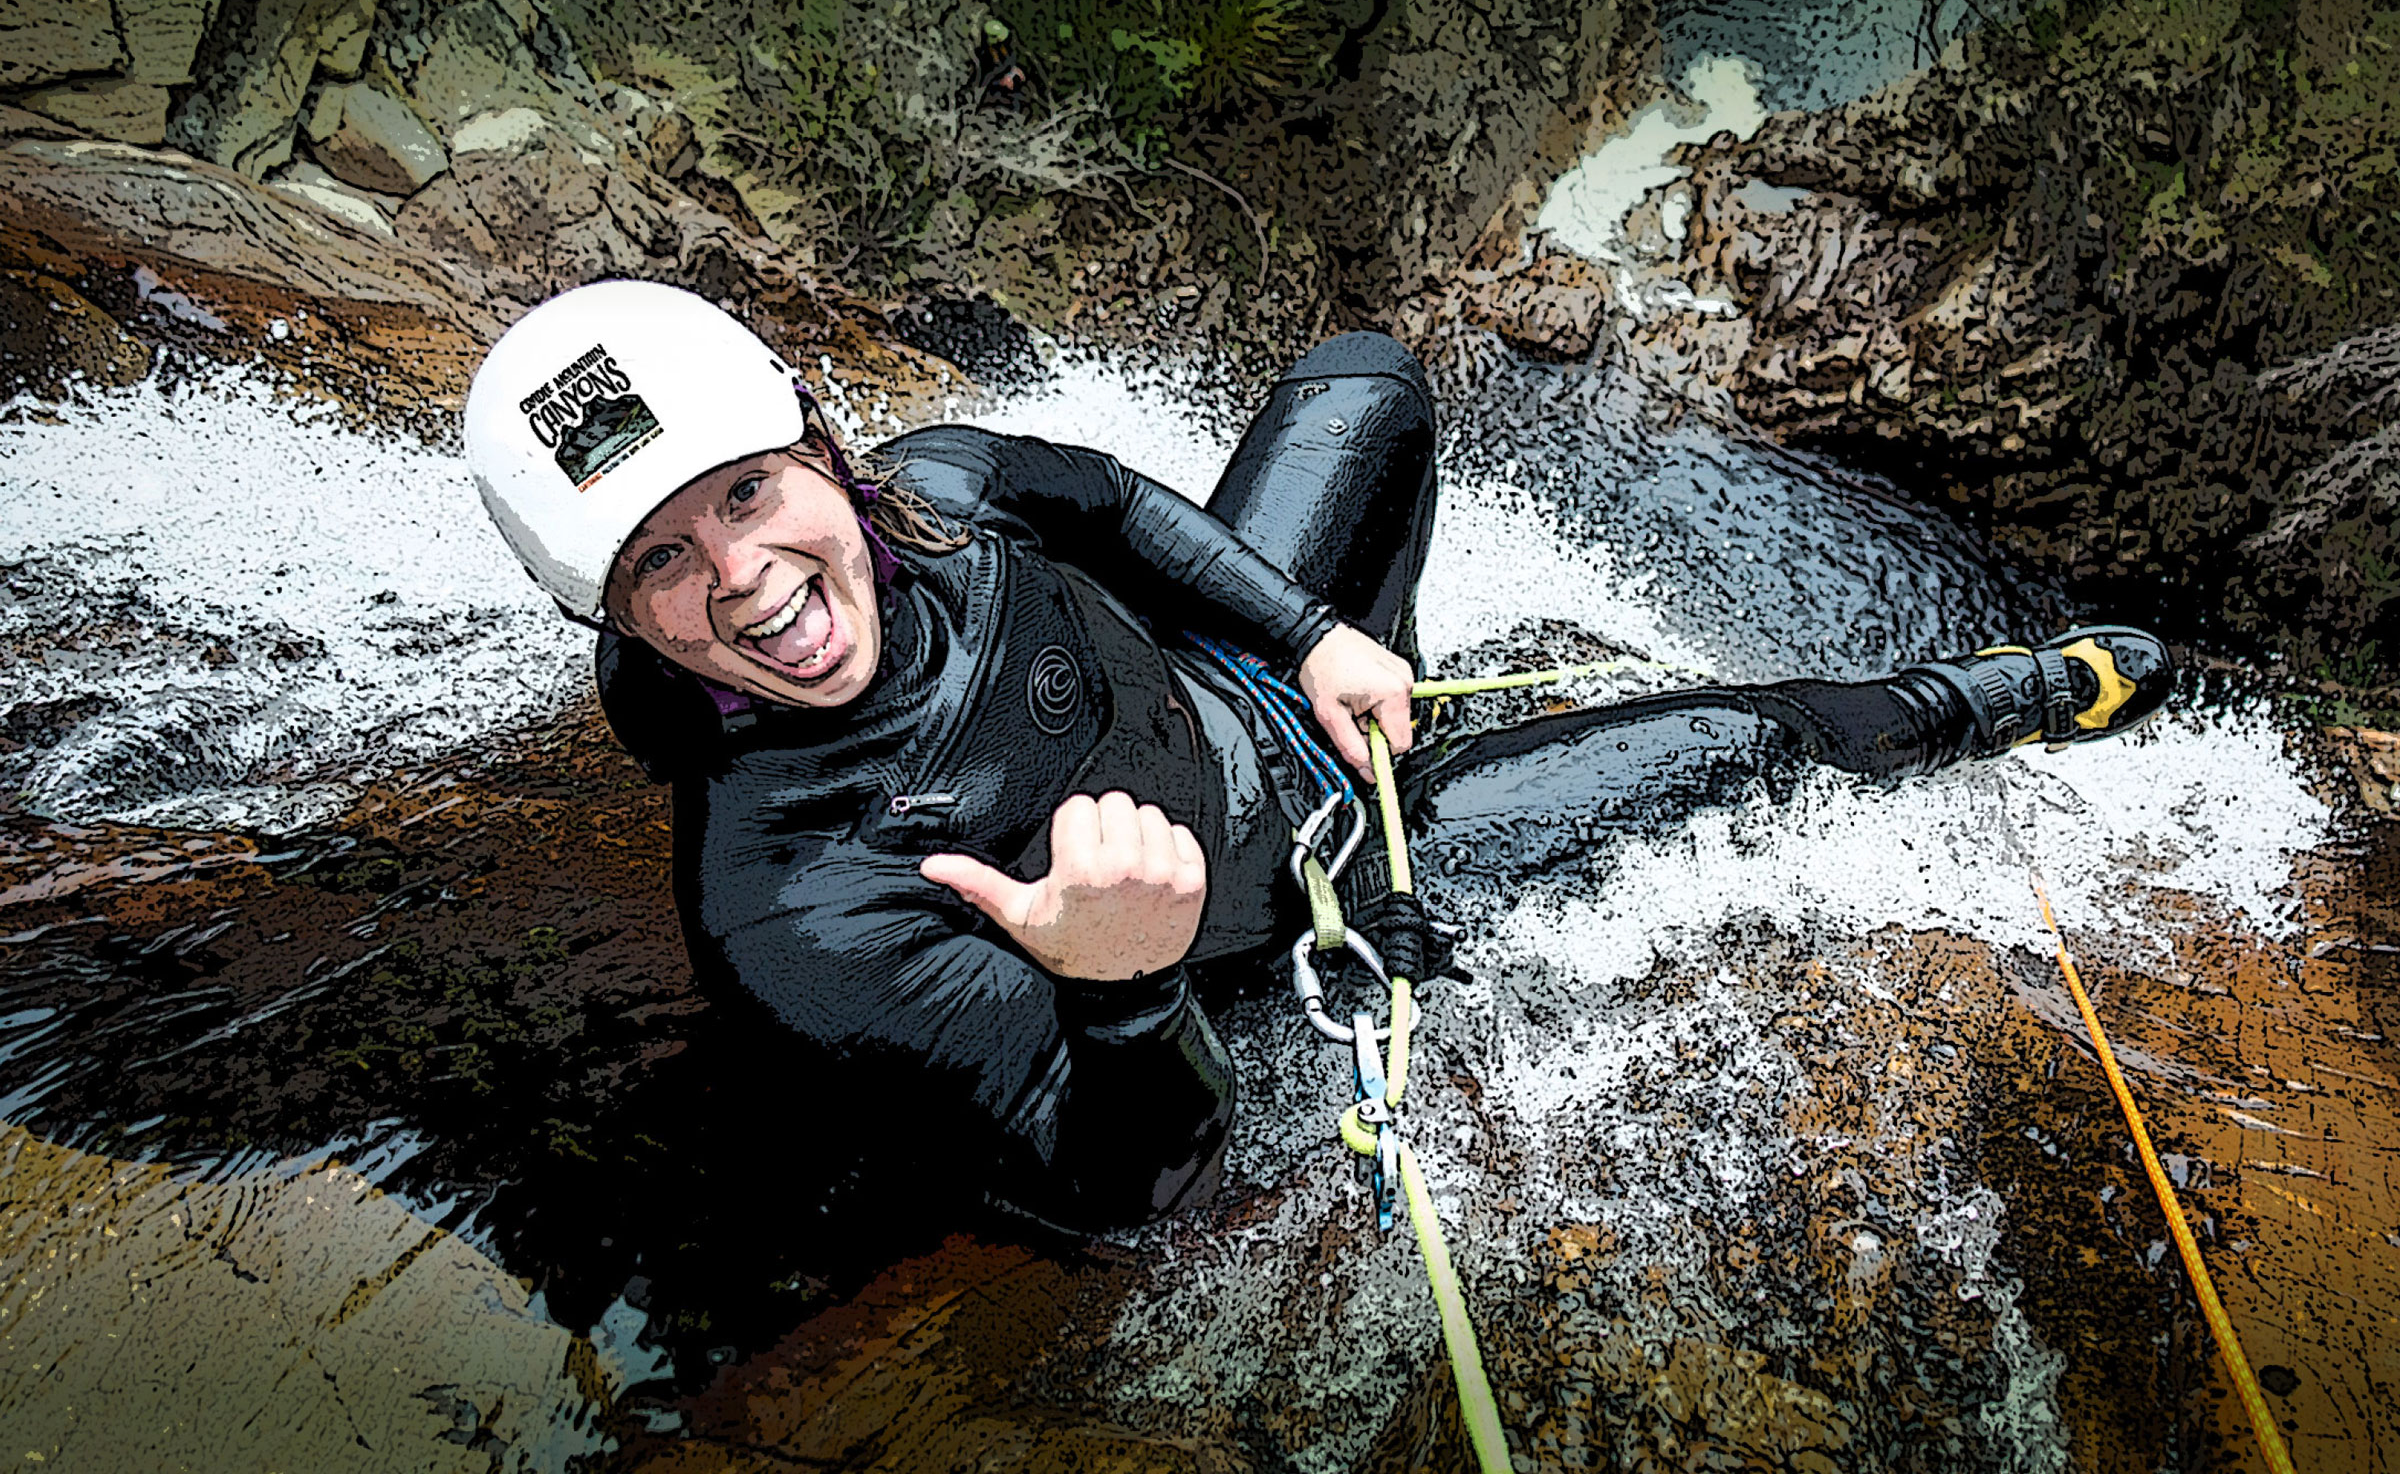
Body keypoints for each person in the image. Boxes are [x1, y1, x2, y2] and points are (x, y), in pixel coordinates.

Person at [464, 280, 2173, 1233]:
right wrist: (1130, 988)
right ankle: (2014, 695)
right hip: (1301, 900)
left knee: (1364, 377)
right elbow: (1117, 1191)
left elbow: (1119, 508)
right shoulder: (787, 907)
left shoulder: (944, 484)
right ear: (614, 623)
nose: (747, 582)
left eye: (747, 495)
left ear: (818, 453)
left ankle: (1393, 685)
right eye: (662, 567)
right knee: (1732, 738)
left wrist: (1312, 636)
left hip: (1254, 693)